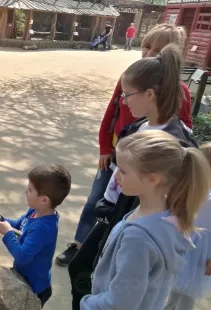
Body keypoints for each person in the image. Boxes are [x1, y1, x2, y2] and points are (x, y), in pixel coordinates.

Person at [68, 42, 199, 310]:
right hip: (121, 215)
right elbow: (118, 173)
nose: (122, 100)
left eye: (127, 94)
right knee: (83, 269)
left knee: (113, 279)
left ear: (150, 94)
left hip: (143, 223)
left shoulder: (178, 142)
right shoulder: (136, 126)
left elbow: (193, 196)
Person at [55, 23, 193, 268]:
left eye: (157, 50)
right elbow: (112, 111)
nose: (150, 54)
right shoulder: (131, 81)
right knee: (97, 200)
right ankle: (80, 244)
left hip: (143, 164)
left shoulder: (179, 96)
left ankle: (106, 250)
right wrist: (104, 148)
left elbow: (185, 129)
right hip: (118, 154)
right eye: (147, 46)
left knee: (125, 208)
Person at [80, 130, 211, 309]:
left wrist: (87, 303)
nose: (116, 176)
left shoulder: (138, 238)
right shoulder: (168, 216)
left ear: (153, 179)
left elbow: (120, 303)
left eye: (124, 171)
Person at [0, 164, 71, 308]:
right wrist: (0, 219)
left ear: (44, 200)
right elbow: (19, 225)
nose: (25, 192)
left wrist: (8, 233)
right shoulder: (34, 212)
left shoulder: (43, 228)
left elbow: (22, 256)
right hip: (24, 277)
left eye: (30, 190)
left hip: (34, 288)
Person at [164, 142, 211, 310]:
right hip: (185, 240)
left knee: (187, 294)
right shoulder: (193, 188)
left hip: (202, 251)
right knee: (173, 287)